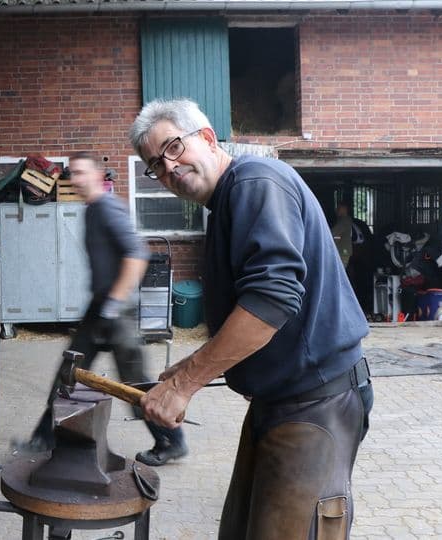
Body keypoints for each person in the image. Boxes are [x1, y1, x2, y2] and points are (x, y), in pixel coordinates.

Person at [129, 98, 374, 538]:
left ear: (206, 137)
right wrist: (186, 367)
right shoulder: (229, 199)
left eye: (172, 149)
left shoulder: (255, 182)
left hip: (317, 406)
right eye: (155, 166)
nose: (167, 169)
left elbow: (271, 299)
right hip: (278, 404)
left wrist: (186, 385)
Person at [12, 151, 188, 466]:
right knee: (68, 374)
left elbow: (137, 254)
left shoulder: (107, 208)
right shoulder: (91, 210)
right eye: (72, 174)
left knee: (134, 383)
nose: (75, 179)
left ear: (96, 175)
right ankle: (43, 438)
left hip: (116, 312)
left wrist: (113, 303)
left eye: (80, 173)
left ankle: (171, 440)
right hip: (100, 308)